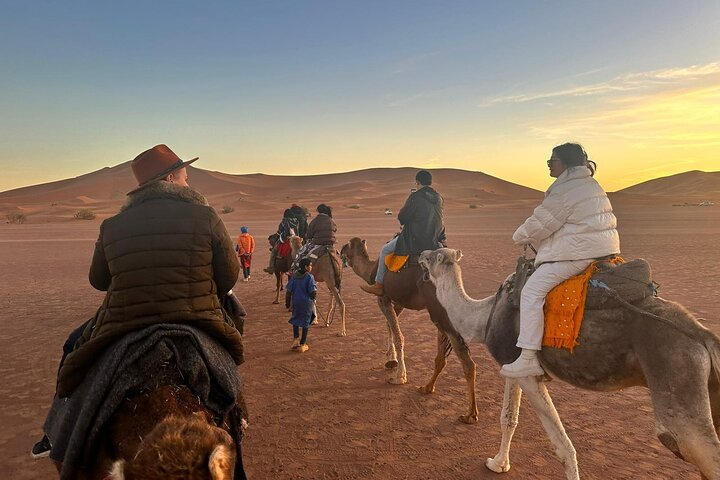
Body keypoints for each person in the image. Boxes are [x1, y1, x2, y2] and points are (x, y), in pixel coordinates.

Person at [32, 144, 245, 457]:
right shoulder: (206, 216)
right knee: (231, 345)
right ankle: (238, 418)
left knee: (73, 347)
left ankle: (55, 435)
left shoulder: (112, 225)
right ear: (171, 178)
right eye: (185, 177)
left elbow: (99, 281)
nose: (189, 183)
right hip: (198, 316)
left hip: (123, 321)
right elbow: (228, 277)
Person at [500, 143, 620, 378]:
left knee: (531, 291)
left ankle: (527, 358)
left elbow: (541, 223)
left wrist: (520, 236)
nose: (549, 165)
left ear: (564, 163)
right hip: (602, 251)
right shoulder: (589, 184)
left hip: (577, 255)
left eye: (551, 161)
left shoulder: (565, 190)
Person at [361, 170, 446, 296]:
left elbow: (402, 217)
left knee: (385, 250)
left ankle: (378, 285)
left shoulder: (416, 196)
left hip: (415, 239)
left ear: (417, 182)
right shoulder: (439, 198)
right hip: (435, 239)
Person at [285, 257, 317, 353]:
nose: (311, 267)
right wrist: (314, 297)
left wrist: (287, 303)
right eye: (310, 265)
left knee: (295, 319)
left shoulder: (294, 276)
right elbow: (312, 292)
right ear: (306, 267)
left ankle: (296, 340)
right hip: (306, 303)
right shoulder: (309, 277)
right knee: (306, 321)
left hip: (296, 302)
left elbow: (288, 291)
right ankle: (303, 343)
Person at [264, 209, 299, 274]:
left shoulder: (284, 221)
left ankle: (271, 268)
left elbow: (279, 231)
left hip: (285, 238)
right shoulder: (296, 221)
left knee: (274, 252)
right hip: (296, 238)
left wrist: (276, 235)